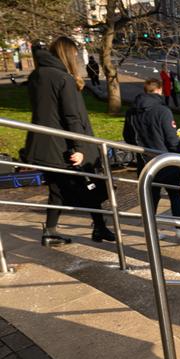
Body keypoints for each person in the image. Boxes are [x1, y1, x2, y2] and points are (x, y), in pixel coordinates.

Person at [23, 37, 115, 247]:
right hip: (65, 146)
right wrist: (80, 147)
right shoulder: (62, 79)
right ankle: (57, 230)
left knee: (64, 187)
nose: (76, 58)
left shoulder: (37, 75)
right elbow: (72, 116)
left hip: (44, 145)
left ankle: (91, 227)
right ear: (67, 54)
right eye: (74, 54)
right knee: (88, 184)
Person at [123, 79, 180, 240]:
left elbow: (127, 137)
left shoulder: (132, 112)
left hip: (145, 162)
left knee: (152, 196)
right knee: (175, 193)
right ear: (159, 90)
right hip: (165, 160)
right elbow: (172, 140)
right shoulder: (162, 111)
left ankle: (151, 230)